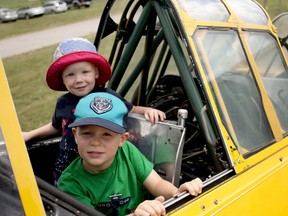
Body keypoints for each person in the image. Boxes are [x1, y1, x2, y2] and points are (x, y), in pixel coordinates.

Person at [22, 37, 166, 185]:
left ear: (96, 73)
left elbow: (131, 109)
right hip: (66, 165)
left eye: (85, 72)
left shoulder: (107, 97)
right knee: (66, 197)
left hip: (98, 165)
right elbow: (57, 127)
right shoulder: (63, 103)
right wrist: (30, 134)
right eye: (70, 74)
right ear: (62, 79)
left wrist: (147, 110)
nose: (78, 80)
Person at [58, 92, 203, 216]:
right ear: (76, 135)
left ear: (122, 139)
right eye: (88, 133)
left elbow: (157, 183)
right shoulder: (69, 183)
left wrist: (177, 193)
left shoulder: (126, 151)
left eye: (106, 134)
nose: (96, 142)